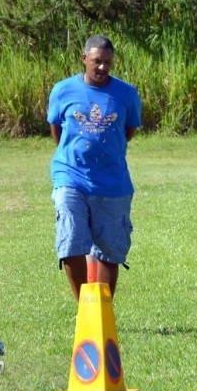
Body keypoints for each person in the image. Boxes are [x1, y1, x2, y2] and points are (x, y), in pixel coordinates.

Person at [47, 35, 142, 301]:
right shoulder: (62, 90)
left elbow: (128, 130)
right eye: (97, 61)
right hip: (70, 176)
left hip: (113, 183)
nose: (102, 67)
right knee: (71, 243)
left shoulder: (127, 93)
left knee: (110, 252)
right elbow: (57, 130)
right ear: (84, 58)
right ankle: (85, 310)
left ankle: (102, 311)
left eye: (107, 62)